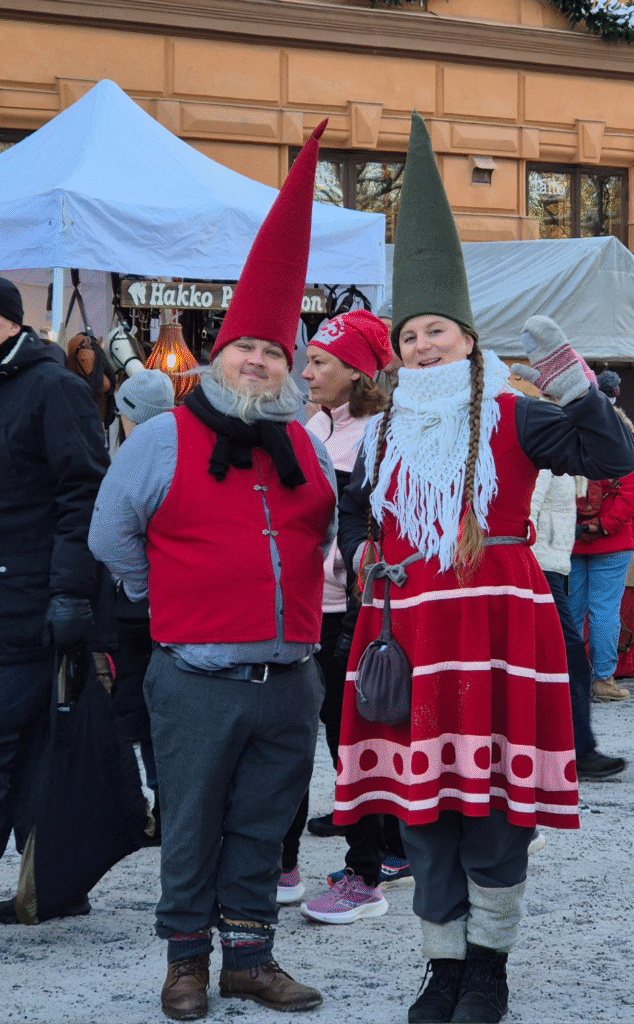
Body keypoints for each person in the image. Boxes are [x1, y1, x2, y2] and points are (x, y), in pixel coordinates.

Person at [332, 113, 634, 1024]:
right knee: (423, 809)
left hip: (497, 617)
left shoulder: (511, 412)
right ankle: (441, 967)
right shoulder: (380, 429)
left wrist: (571, 382)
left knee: (495, 810)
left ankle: (488, 969)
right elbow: (358, 510)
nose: (422, 346)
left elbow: (609, 457)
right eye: (409, 336)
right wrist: (362, 548)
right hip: (411, 627)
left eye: (436, 330)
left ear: (466, 337)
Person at [89, 122, 337, 1022]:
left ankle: (251, 961)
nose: (259, 361)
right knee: (191, 822)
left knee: (265, 823)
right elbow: (110, 537)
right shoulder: (164, 437)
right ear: (219, 357)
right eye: (246, 349)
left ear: (287, 369)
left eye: (274, 352)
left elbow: (323, 534)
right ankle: (186, 964)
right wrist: (164, 599)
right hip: (195, 675)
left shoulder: (305, 444)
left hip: (291, 676)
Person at [276, 310, 409, 916]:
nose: (306, 372)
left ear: (357, 371)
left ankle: (366, 873)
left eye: (320, 362)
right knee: (289, 742)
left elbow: (376, 527)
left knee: (351, 745)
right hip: (302, 607)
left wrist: (352, 577)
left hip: (351, 612)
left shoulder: (382, 433)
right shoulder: (313, 423)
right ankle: (284, 867)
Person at [0, 276, 109, 923]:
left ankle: (54, 884)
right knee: (31, 749)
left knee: (18, 744)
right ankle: (52, 885)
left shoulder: (53, 388)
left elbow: (84, 494)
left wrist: (69, 590)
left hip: (29, 601)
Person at [529, 458, 627, 780]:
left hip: (550, 565)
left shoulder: (558, 462)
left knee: (558, 660)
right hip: (540, 568)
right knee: (571, 661)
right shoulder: (546, 462)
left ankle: (566, 750)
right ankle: (579, 751)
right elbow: (526, 515)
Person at [110, 370, 175, 834]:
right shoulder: (183, 452)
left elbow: (108, 538)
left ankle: (151, 804)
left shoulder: (127, 459)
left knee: (137, 711)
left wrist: (136, 586)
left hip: (135, 606)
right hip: (171, 606)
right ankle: (166, 804)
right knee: (164, 714)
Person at [568, 370, 634, 704]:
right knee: (604, 610)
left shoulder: (567, 434)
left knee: (571, 611)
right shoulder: (621, 434)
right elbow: (633, 486)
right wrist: (603, 525)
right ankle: (603, 680)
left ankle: (571, 681)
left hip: (571, 539)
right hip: (611, 542)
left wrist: (578, 526)